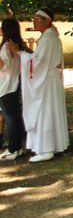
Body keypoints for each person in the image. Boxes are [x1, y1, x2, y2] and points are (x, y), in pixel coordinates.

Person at [8, 9, 69, 162]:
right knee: (49, 112)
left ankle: (46, 149)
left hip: (46, 81)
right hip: (49, 80)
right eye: (34, 19)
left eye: (37, 19)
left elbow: (37, 61)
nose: (34, 22)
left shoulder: (49, 38)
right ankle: (53, 145)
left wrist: (19, 52)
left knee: (45, 113)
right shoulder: (49, 37)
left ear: (47, 21)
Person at [0, 18, 28, 160]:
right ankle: (17, 147)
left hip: (6, 87)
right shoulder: (17, 45)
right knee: (15, 118)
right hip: (13, 85)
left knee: (11, 119)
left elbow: (2, 66)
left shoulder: (6, 46)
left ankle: (13, 149)